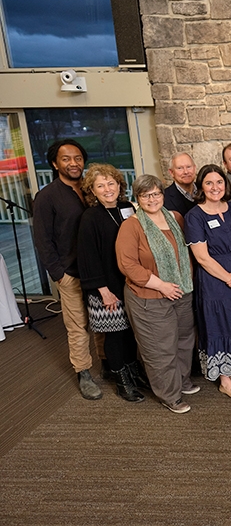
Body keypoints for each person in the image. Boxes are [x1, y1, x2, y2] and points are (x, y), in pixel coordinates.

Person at [116, 175, 197, 414]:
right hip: (149, 296)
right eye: (145, 195)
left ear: (163, 194)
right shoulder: (131, 225)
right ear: (137, 199)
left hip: (181, 291)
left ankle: (181, 381)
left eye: (156, 193)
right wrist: (161, 285)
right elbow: (127, 265)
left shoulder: (176, 218)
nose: (152, 199)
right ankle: (170, 395)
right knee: (160, 348)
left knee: (183, 341)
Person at [32, 139, 102, 400]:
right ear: (54, 163)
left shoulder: (92, 189)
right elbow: (43, 240)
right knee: (78, 326)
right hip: (70, 273)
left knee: (103, 320)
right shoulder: (47, 196)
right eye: (66, 159)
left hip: (98, 271)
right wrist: (58, 273)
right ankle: (83, 372)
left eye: (77, 158)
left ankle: (107, 365)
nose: (73, 163)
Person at [185, 164, 231, 399]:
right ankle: (225, 380)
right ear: (201, 187)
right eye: (208, 183)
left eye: (219, 182)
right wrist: (230, 279)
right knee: (220, 325)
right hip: (214, 280)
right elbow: (202, 258)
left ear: (226, 185)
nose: (215, 187)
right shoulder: (194, 216)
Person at [77, 163, 145, 402]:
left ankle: (133, 371)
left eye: (111, 183)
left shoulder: (127, 208)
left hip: (127, 283)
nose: (107, 189)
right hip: (104, 287)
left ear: (119, 185)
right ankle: (122, 381)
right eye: (100, 186)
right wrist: (103, 291)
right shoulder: (90, 218)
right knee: (114, 335)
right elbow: (88, 259)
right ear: (92, 191)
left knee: (129, 332)